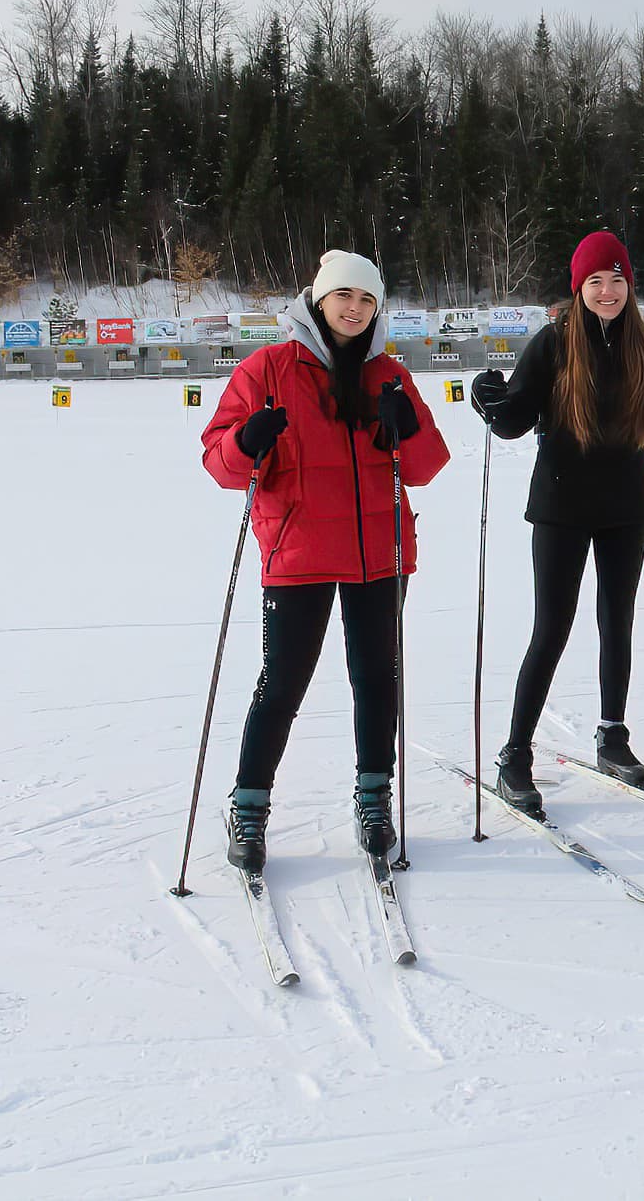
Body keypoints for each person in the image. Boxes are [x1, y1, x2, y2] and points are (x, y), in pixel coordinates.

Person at [468, 231, 644, 807]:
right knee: (552, 627)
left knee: (616, 621)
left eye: (617, 279)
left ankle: (612, 737)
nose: (608, 291)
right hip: (561, 507)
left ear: (630, 285)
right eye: (596, 281)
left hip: (626, 507)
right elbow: (513, 423)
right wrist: (488, 400)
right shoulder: (553, 344)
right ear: (579, 287)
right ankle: (515, 754)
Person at [201, 249, 450, 871]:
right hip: (300, 551)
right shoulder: (268, 368)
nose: (354, 308)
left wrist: (407, 426)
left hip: (379, 554)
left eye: (367, 299)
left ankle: (374, 796)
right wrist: (246, 440)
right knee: (282, 683)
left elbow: (425, 467)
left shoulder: (388, 375)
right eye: (344, 295)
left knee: (377, 678)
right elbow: (220, 464)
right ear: (317, 299)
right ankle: (248, 807)